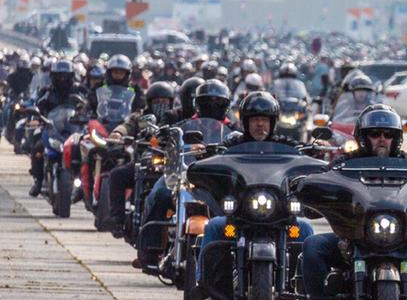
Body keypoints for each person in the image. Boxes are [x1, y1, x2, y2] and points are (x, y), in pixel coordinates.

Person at [300, 105, 407, 300]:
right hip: (352, 239)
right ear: (363, 137)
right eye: (375, 133)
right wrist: (314, 192)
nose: (382, 139)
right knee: (312, 246)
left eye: (388, 134)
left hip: (403, 238)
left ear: (396, 138)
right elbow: (321, 182)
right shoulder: (343, 165)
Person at [197, 93, 314, 285]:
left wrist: (313, 150)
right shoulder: (233, 144)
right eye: (255, 120)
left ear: (273, 122)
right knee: (214, 227)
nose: (260, 125)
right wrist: (207, 152)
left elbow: (301, 150)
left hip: (279, 214)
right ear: (245, 122)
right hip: (240, 214)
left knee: (306, 230)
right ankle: (203, 283)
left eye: (265, 120)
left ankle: (307, 290)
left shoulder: (283, 144)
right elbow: (218, 152)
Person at [135, 79, 233, 268]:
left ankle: (234, 250)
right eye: (207, 102)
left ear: (226, 105)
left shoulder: (234, 130)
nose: (212, 106)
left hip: (216, 180)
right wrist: (160, 137)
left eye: (218, 102)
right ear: (198, 104)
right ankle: (148, 248)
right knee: (159, 193)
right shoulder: (183, 124)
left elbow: (244, 144)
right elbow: (161, 138)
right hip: (184, 174)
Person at [99, 81, 177, 235]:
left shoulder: (175, 116)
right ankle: (117, 220)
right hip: (144, 161)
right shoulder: (140, 117)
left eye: (164, 102)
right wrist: (118, 133)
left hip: (171, 165)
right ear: (149, 102)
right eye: (157, 102)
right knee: (117, 175)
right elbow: (126, 125)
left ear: (171, 102)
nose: (161, 105)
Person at [27, 58, 82, 196]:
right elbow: (38, 105)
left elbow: (86, 106)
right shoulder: (47, 92)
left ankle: (83, 185)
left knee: (84, 151)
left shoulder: (78, 91)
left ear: (70, 76)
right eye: (59, 76)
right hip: (51, 128)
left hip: (72, 130)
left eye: (65, 76)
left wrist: (85, 115)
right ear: (53, 76)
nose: (62, 79)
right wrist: (35, 117)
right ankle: (38, 181)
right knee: (37, 148)